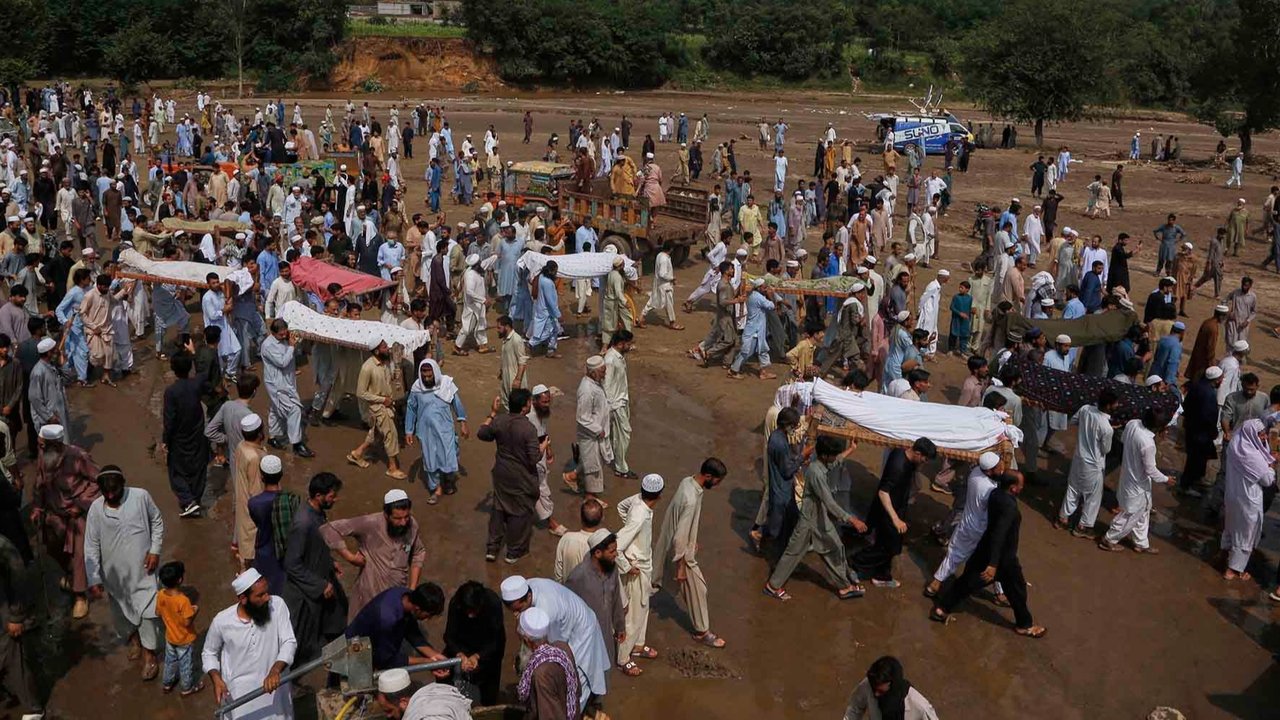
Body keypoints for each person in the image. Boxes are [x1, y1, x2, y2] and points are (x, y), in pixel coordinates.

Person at [931, 470, 1044, 638]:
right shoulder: (1009, 507)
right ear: (1013, 488)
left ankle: (942, 608)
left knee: (968, 581)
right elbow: (999, 534)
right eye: (1020, 484)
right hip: (1003, 558)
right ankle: (1024, 624)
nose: (1022, 487)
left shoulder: (995, 494)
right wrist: (993, 564)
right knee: (1017, 589)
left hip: (985, 548)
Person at [84, 466, 165, 680]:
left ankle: (150, 656)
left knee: (148, 615)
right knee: (122, 615)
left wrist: (155, 551)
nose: (111, 496)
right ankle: (134, 642)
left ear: (124, 484)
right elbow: (91, 545)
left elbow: (156, 522)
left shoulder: (140, 496)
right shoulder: (95, 510)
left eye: (115, 491)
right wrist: (94, 577)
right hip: (115, 577)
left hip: (144, 572)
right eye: (106, 493)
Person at [764, 435, 867, 600]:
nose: (834, 457)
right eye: (832, 454)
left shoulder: (820, 464)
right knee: (794, 553)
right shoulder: (816, 473)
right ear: (825, 455)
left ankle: (845, 586)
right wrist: (852, 520)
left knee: (834, 547)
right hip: (809, 522)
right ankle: (773, 586)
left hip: (819, 519)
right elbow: (830, 503)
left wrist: (851, 449)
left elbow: (835, 462)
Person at [501, 575, 609, 711]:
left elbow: (551, 646)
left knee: (578, 676)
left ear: (528, 597)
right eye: (513, 610)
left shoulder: (547, 611)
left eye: (519, 609)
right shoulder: (526, 587)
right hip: (566, 624)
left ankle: (577, 711)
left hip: (582, 632)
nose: (516, 614)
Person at [651, 458, 728, 649]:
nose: (717, 485)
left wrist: (692, 539)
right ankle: (703, 632)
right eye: (717, 481)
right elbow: (679, 539)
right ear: (708, 476)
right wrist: (681, 567)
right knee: (698, 589)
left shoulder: (687, 482)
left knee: (654, 583)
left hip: (672, 546)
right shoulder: (692, 499)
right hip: (681, 554)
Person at [203, 569, 297, 720]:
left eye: (267, 592)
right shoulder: (222, 621)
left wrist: (275, 670)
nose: (267, 598)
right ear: (243, 598)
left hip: (273, 690)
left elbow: (289, 642)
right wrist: (216, 678)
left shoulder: (277, 605)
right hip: (240, 695)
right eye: (260, 595)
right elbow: (209, 652)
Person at [323, 488, 427, 621]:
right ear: (386, 515)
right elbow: (329, 529)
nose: (403, 522)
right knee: (360, 638)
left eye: (406, 517)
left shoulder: (411, 526)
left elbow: (418, 552)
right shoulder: (371, 524)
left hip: (395, 596)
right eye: (397, 518)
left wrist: (412, 588)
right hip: (368, 596)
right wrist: (350, 557)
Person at [32, 423, 98, 619]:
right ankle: (71, 575)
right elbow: (39, 483)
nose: (40, 448)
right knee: (52, 548)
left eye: (43, 445)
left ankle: (80, 596)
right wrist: (37, 507)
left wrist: (81, 504)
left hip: (75, 515)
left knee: (78, 554)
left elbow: (97, 481)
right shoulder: (44, 457)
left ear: (55, 445)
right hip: (53, 513)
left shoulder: (78, 457)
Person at [851, 438, 937, 588]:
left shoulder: (900, 454)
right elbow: (883, 492)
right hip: (889, 511)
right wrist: (895, 519)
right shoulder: (899, 467)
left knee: (886, 544)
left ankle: (882, 575)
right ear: (917, 453)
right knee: (889, 548)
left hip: (895, 507)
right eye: (924, 458)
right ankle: (854, 564)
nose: (925, 462)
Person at [282, 472, 348, 664]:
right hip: (305, 591)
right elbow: (292, 564)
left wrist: (330, 562)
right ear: (318, 496)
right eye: (331, 496)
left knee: (338, 617)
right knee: (302, 640)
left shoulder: (317, 514)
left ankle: (336, 661)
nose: (335, 499)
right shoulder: (303, 523)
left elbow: (317, 545)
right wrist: (320, 585)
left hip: (323, 577)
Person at [926, 452, 1007, 599]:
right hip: (981, 529)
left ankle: (935, 584)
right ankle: (1000, 592)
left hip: (966, 523)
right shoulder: (989, 490)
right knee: (995, 558)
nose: (1001, 466)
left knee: (953, 555)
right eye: (998, 465)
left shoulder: (975, 473)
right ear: (989, 470)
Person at [477, 388, 540, 564]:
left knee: (499, 508)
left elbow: (482, 433)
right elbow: (534, 458)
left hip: (501, 473)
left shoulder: (499, 421)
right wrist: (543, 447)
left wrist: (492, 413)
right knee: (520, 512)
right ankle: (513, 552)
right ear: (525, 406)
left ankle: (492, 548)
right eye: (529, 402)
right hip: (521, 477)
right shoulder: (528, 428)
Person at [1099, 409, 1175, 554]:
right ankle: (1109, 539)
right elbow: (1151, 470)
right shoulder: (1148, 444)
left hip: (1129, 478)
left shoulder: (1133, 424)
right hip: (1137, 485)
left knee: (1144, 511)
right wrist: (1166, 479)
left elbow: (1123, 440)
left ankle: (1141, 543)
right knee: (1129, 514)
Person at [613, 474, 663, 673]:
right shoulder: (640, 515)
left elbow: (620, 506)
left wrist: (630, 531)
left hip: (645, 564)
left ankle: (638, 645)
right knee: (633, 615)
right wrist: (627, 566)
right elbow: (616, 547)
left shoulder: (636, 500)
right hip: (637, 568)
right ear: (659, 496)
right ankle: (623, 658)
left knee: (644, 607)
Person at [1056, 390, 1119, 537]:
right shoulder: (1107, 428)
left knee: (1073, 488)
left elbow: (1073, 421)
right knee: (1092, 497)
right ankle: (1083, 527)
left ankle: (1062, 518)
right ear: (1109, 405)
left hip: (1079, 458)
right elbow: (1106, 449)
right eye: (1116, 403)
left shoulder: (1085, 409)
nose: (1117, 405)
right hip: (1094, 464)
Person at [563, 528, 626, 674]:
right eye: (612, 551)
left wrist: (620, 626)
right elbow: (567, 611)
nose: (616, 554)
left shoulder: (612, 569)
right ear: (598, 553)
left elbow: (616, 598)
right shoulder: (578, 576)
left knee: (605, 674)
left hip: (606, 636)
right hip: (585, 640)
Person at [1221, 418, 1277, 581]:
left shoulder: (1236, 444)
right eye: (1260, 435)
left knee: (1232, 527)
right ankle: (1233, 569)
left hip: (1233, 495)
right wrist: (1272, 465)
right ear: (1252, 434)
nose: (1264, 437)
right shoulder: (1251, 455)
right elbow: (1267, 480)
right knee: (1246, 533)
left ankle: (1224, 554)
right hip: (1248, 499)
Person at [345, 582, 449, 670]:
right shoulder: (387, 619)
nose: (428, 619)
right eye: (428, 615)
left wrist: (435, 656)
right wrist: (427, 662)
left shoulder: (405, 596)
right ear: (418, 609)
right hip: (354, 655)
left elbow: (412, 633)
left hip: (373, 647)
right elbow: (386, 660)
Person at [405, 359, 468, 501]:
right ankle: (436, 489)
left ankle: (448, 480)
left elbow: (456, 404)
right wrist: (409, 431)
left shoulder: (446, 385)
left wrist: (463, 421)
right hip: (425, 431)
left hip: (445, 429)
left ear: (435, 373)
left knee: (448, 455)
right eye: (424, 376)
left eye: (429, 376)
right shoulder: (417, 388)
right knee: (430, 459)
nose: (426, 379)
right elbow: (411, 409)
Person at [443, 580, 507, 706]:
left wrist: (478, 656)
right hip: (463, 647)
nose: (471, 616)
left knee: (489, 688)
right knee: (448, 681)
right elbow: (449, 635)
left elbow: (496, 640)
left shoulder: (493, 603)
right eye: (468, 611)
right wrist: (460, 654)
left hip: (487, 649)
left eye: (474, 611)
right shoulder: (456, 603)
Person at [161, 353, 210, 518]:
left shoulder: (171, 392)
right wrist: (196, 354)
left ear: (173, 369)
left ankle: (188, 501)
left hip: (179, 438)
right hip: (197, 434)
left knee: (176, 472)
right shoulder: (196, 384)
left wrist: (165, 440)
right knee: (198, 468)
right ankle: (194, 500)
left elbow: (169, 419)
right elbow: (204, 373)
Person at [348, 340, 404, 478]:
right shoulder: (367, 368)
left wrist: (396, 372)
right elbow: (361, 392)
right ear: (377, 351)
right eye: (385, 347)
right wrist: (382, 400)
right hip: (378, 407)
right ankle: (392, 467)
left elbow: (389, 381)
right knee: (390, 434)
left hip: (387, 403)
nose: (388, 349)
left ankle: (357, 453)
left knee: (377, 434)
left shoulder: (385, 364)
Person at [260, 319, 314, 458]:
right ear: (273, 333)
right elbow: (282, 362)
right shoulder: (268, 346)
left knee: (275, 409)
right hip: (277, 384)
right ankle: (297, 443)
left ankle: (273, 437)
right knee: (294, 409)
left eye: (285, 334)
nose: (284, 337)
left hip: (288, 380)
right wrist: (291, 346)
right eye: (281, 335)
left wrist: (293, 339)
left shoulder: (286, 339)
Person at [515, 607, 580, 720]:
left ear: (527, 641)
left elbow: (549, 716)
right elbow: (577, 690)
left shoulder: (541, 675)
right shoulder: (562, 647)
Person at [568, 356, 611, 505]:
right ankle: (589, 497)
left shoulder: (595, 383)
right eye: (602, 371)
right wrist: (597, 429)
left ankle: (573, 476)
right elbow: (582, 417)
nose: (605, 374)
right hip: (591, 434)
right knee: (593, 465)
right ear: (593, 373)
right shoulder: (586, 390)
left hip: (599, 432)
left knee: (595, 461)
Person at [156, 561, 203, 696]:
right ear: (180, 579)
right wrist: (195, 610)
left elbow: (158, 613)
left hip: (170, 637)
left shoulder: (160, 595)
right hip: (184, 639)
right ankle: (187, 687)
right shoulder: (183, 601)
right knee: (185, 664)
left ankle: (167, 683)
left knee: (170, 661)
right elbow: (187, 622)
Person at [843, 656, 939, 720]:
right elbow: (855, 707)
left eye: (881, 691)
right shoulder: (870, 685)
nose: (875, 694)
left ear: (893, 686)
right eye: (874, 689)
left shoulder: (919, 706)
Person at [231, 417, 268, 569]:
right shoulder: (254, 457)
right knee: (252, 557)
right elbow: (257, 492)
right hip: (252, 514)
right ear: (260, 434)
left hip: (243, 506)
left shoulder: (241, 446)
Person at [373, 667, 474, 720]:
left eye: (389, 710)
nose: (388, 716)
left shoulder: (428, 716)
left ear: (403, 702)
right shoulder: (434, 692)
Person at [603, 330, 635, 480]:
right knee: (624, 433)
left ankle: (617, 461)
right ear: (621, 344)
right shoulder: (610, 359)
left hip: (622, 400)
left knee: (619, 434)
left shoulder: (618, 357)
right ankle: (621, 468)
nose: (630, 346)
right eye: (628, 344)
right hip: (616, 403)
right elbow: (607, 385)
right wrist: (610, 407)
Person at [555, 499, 604, 583]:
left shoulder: (566, 539)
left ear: (580, 518)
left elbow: (558, 573)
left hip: (568, 591)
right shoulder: (603, 546)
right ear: (601, 519)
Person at [1224, 277, 1256, 347]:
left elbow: (1254, 312)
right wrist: (1228, 312)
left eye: (1246, 286)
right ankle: (1229, 357)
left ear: (1250, 286)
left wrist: (1247, 321)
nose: (1244, 287)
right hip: (1233, 322)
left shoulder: (1252, 297)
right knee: (1230, 343)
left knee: (1241, 344)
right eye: (1243, 285)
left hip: (1243, 324)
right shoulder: (1236, 293)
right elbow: (1225, 300)